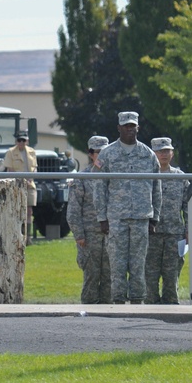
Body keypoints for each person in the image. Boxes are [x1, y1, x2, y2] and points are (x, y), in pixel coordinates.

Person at [94, 111, 161, 304]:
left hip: (141, 217)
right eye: (126, 126)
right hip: (116, 218)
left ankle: (138, 302)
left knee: (138, 263)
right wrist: (102, 218)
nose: (130, 129)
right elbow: (99, 187)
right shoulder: (107, 154)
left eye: (133, 126)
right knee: (117, 263)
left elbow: (157, 187)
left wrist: (154, 217)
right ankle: (118, 301)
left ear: (138, 128)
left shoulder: (148, 155)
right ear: (119, 128)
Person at [66, 135, 111, 304]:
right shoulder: (82, 178)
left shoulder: (114, 177)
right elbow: (73, 210)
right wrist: (79, 235)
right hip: (89, 236)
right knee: (91, 276)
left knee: (110, 277)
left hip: (110, 235)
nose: (101, 156)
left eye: (105, 152)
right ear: (90, 154)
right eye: (98, 152)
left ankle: (109, 313)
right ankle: (90, 315)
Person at [145, 137, 188, 304]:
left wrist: (189, 230)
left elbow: (187, 206)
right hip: (151, 233)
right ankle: (150, 310)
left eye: (166, 151)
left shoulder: (181, 177)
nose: (163, 154)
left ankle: (171, 311)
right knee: (149, 276)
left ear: (172, 153)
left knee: (172, 276)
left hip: (174, 234)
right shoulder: (145, 177)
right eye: (159, 151)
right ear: (152, 153)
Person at [1, 130, 38, 245]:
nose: (21, 142)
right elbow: (10, 170)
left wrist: (31, 178)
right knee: (17, 210)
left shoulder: (32, 152)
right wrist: (21, 180)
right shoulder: (11, 152)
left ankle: (28, 238)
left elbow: (35, 167)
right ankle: (18, 236)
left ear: (27, 140)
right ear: (16, 141)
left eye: (23, 140)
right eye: (19, 140)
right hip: (16, 185)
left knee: (29, 211)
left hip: (30, 184)